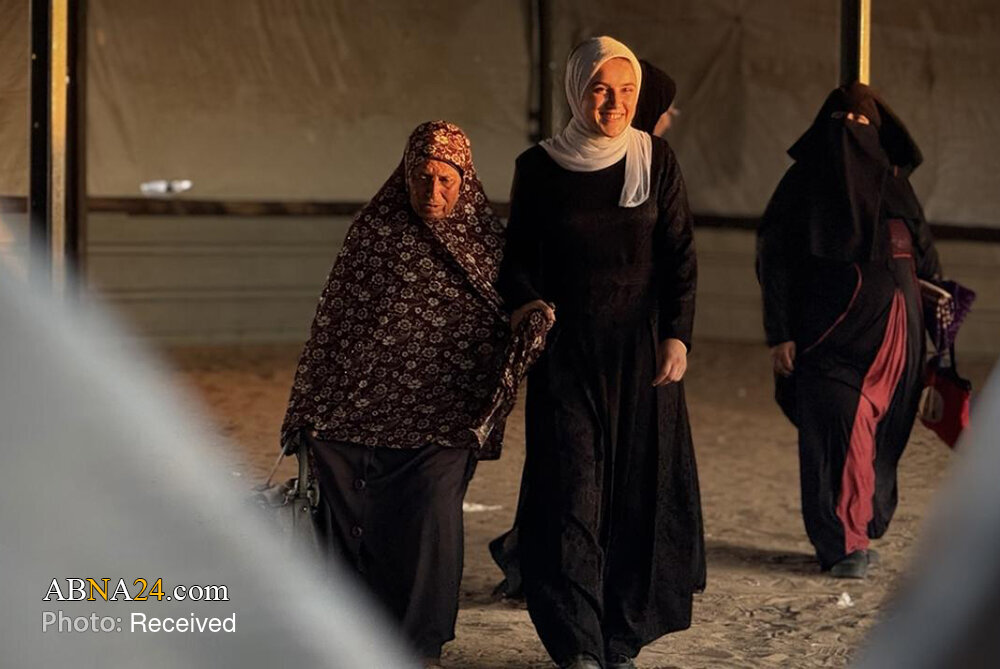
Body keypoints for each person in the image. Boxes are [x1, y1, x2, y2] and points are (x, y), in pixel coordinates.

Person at [280, 121, 548, 667]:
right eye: (422, 177)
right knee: (344, 507)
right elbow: (333, 325)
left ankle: (421, 644)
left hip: (442, 416)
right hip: (357, 410)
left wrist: (530, 316)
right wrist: (305, 408)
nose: (433, 191)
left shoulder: (488, 244)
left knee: (430, 511)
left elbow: (513, 307)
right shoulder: (373, 233)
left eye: (446, 180)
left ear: (465, 181)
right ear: (404, 175)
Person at [498, 37, 705, 669]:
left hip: (640, 355)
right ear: (576, 89)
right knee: (572, 495)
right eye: (600, 89)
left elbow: (679, 255)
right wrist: (529, 305)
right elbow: (516, 261)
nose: (614, 103)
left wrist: (677, 334)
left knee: (635, 498)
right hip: (567, 355)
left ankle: (619, 639)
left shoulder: (656, 159)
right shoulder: (539, 167)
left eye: (626, 91)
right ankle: (578, 646)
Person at [756, 82, 942, 579]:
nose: (850, 134)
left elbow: (927, 260)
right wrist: (780, 332)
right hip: (828, 333)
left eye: (861, 124)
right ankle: (841, 542)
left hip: (897, 336)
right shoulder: (801, 184)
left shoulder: (894, 183)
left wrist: (940, 339)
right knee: (836, 426)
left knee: (878, 434)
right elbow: (774, 261)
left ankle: (860, 524)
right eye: (840, 123)